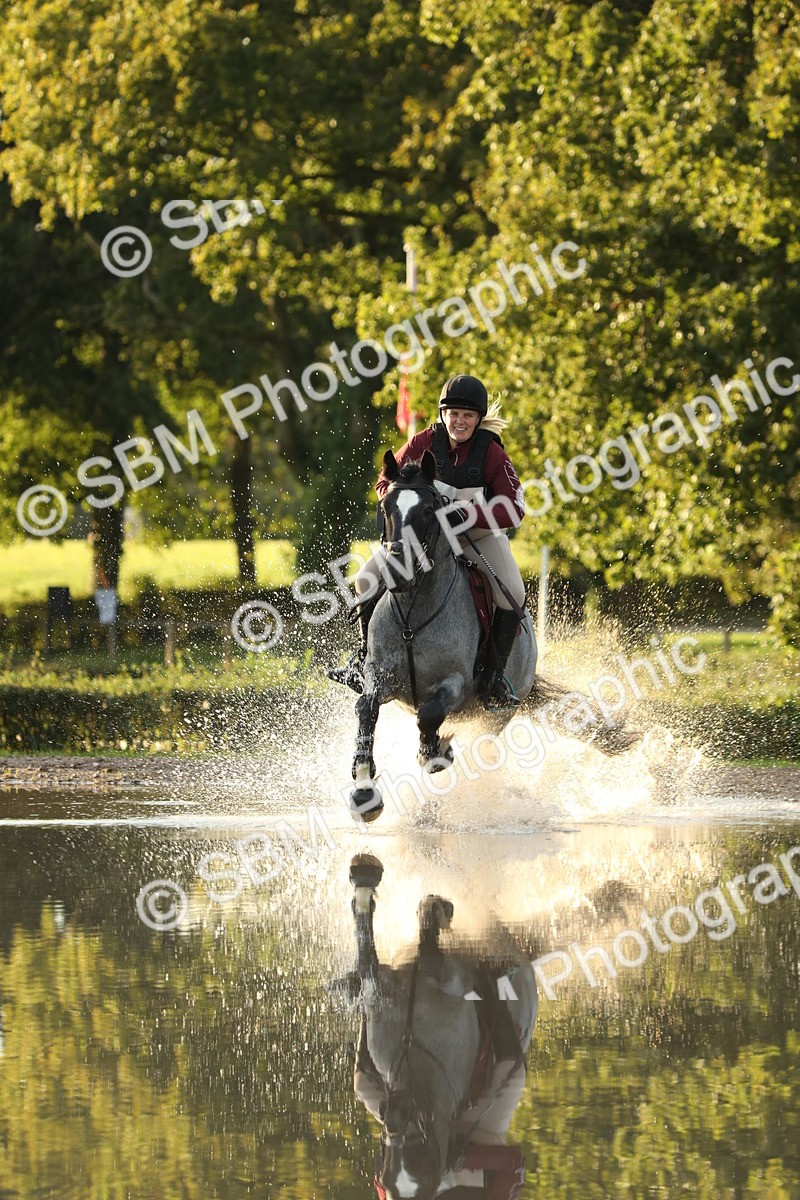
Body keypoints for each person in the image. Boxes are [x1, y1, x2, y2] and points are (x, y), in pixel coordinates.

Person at [328, 374, 528, 708]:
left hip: (475, 536)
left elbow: (515, 507)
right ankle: (364, 659)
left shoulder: (491, 454)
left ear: (478, 418)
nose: (459, 421)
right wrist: (399, 498)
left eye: (467, 415)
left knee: (514, 593)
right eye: (453, 413)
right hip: (423, 539)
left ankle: (493, 679)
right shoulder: (424, 441)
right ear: (442, 414)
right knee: (365, 578)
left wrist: (470, 514)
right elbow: (385, 481)